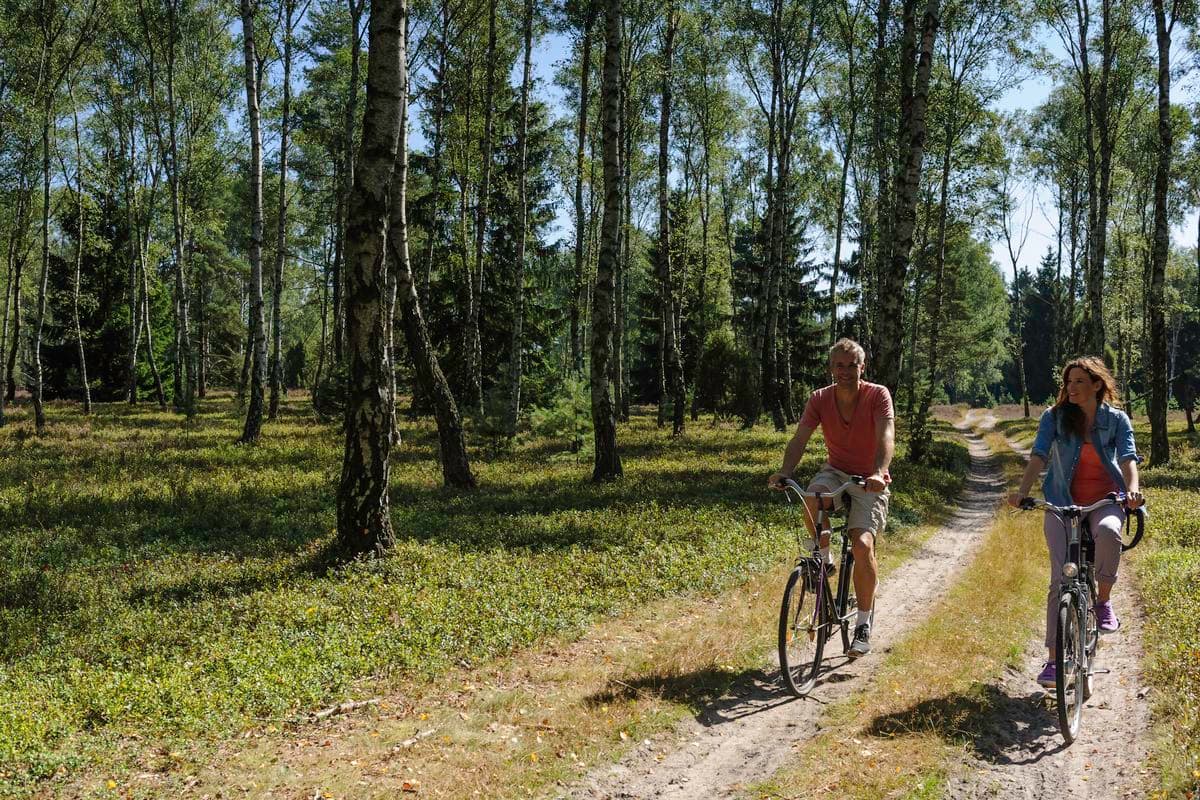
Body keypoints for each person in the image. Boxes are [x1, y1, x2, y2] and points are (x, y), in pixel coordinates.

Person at [1007, 356, 1144, 688]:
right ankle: (1054, 661)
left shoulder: (1117, 420)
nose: (1071, 388)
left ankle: (1104, 600)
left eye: (1079, 382)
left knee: (1111, 531)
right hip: (1061, 503)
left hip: (1103, 500)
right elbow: (1039, 455)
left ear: (1097, 385)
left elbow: (1127, 458)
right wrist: (1022, 492)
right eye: (1068, 382)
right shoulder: (1054, 418)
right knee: (1059, 581)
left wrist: (1133, 490)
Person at [768, 337, 894, 658]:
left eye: (852, 365)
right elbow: (799, 439)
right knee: (811, 496)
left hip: (869, 478)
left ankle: (863, 625)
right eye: (840, 365)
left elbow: (886, 436)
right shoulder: (819, 399)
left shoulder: (878, 395)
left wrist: (879, 472)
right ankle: (823, 562)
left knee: (863, 545)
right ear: (831, 369)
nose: (846, 371)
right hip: (836, 471)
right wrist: (785, 471)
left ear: (862, 367)